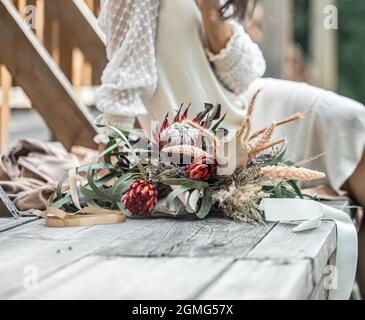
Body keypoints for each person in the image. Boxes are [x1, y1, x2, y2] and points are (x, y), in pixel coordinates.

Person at [95, 0, 365, 296]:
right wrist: (112, 155)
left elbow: (244, 75)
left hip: (249, 108)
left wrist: (211, 12)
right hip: (196, 130)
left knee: (351, 121)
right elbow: (124, 83)